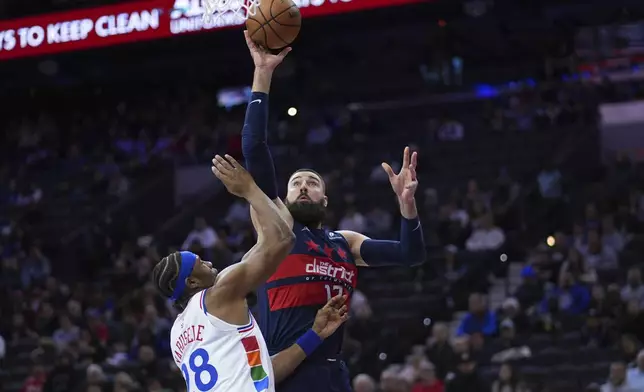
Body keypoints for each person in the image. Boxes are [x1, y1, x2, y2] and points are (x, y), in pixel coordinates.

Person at [240, 31, 427, 392]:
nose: (304, 186)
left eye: (312, 182)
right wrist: (263, 72)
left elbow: (410, 254)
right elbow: (255, 147)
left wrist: (407, 206)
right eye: (296, 182)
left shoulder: (346, 243)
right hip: (286, 368)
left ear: (325, 200)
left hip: (333, 372)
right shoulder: (276, 228)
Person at [152, 155, 349, 392]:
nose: (209, 262)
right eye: (200, 262)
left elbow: (263, 374)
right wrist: (249, 190)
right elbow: (283, 239)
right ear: (192, 281)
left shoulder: (177, 336)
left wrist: (315, 334)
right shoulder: (219, 294)